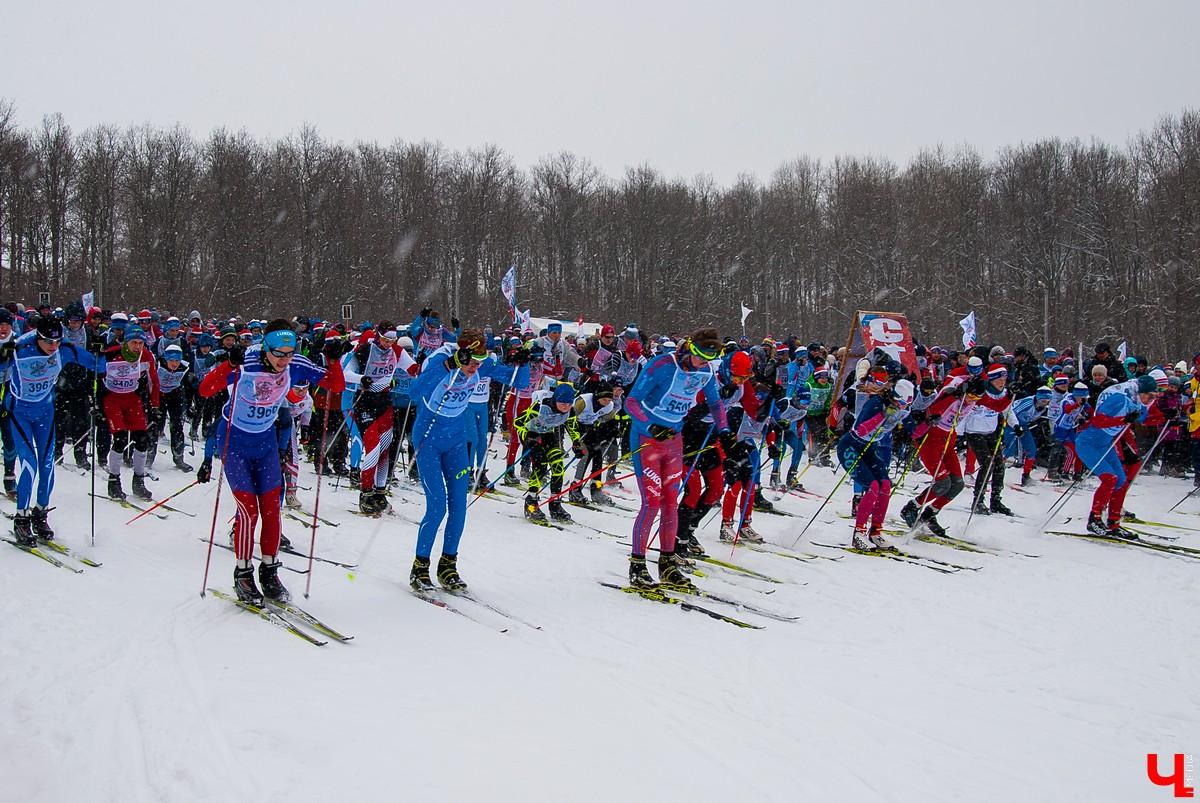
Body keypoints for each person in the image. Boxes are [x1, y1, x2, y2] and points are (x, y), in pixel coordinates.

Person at [198, 319, 345, 604]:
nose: (284, 361)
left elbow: (335, 384)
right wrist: (228, 365)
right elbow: (206, 389)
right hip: (236, 442)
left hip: (264, 444)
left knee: (271, 509)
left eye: (289, 355)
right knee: (248, 511)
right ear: (266, 348)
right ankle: (242, 573)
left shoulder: (295, 363)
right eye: (279, 354)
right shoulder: (247, 361)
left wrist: (334, 359)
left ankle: (269, 570)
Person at [407, 328, 529, 592]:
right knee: (437, 506)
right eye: (471, 361)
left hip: (456, 441)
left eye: (479, 362)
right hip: (428, 439)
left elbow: (519, 381)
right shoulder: (440, 358)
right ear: (461, 353)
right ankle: (420, 567)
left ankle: (448, 565)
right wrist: (448, 366)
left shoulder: (482, 364)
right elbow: (415, 392)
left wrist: (525, 361)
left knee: (459, 506)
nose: (476, 367)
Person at [623, 328, 728, 590]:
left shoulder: (705, 372)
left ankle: (667, 564)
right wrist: (650, 427)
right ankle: (637, 565)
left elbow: (715, 404)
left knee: (671, 502)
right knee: (652, 503)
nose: (703, 365)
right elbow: (632, 402)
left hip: (674, 440)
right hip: (647, 437)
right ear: (689, 349)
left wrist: (724, 431)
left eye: (708, 361)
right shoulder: (662, 365)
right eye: (700, 358)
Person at [0, 317, 106, 546]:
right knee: (29, 464)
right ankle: (21, 518)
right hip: (19, 411)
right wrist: (3, 355)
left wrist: (100, 349)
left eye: (57, 341)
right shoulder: (20, 350)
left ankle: (40, 513)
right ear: (39, 337)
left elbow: (100, 365)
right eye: (49, 341)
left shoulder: (64, 351)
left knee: (47, 464)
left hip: (45, 413)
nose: (53, 346)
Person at [340, 322, 417, 513]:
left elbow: (413, 369)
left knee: (385, 449)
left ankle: (380, 493)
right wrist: (361, 379)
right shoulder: (365, 350)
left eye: (392, 340)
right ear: (378, 336)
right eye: (385, 339)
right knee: (372, 448)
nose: (388, 343)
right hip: (365, 402)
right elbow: (346, 373)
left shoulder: (397, 351)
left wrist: (425, 368)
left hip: (384, 403)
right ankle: (366, 492)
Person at [1075, 372, 1163, 537]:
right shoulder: (1119, 398)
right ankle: (1094, 519)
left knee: (1121, 481)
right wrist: (1123, 420)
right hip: (1088, 443)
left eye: (1154, 397)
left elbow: (1142, 419)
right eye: (1150, 396)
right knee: (1110, 479)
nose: (1151, 400)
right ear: (1142, 391)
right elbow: (1098, 421)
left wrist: (1166, 418)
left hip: (1104, 444)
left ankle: (1114, 524)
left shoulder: (1137, 399)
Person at [837, 378, 914, 548]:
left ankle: (876, 531)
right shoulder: (876, 403)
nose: (903, 407)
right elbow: (860, 429)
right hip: (851, 446)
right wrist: (882, 415)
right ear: (894, 396)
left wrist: (925, 423)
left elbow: (913, 429)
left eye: (906, 404)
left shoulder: (901, 408)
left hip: (870, 447)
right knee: (872, 486)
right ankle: (859, 532)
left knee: (885, 484)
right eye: (901, 402)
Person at [100, 326, 160, 501]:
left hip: (132, 399)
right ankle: (114, 480)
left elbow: (153, 381)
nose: (137, 346)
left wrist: (155, 406)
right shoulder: (112, 354)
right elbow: (95, 376)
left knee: (141, 439)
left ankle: (138, 481)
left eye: (141, 343)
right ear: (126, 342)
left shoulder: (146, 356)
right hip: (112, 399)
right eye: (134, 342)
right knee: (119, 439)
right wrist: (96, 403)